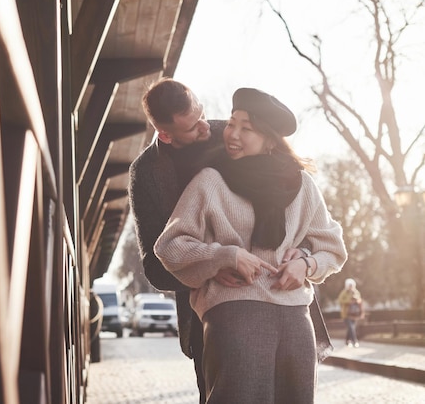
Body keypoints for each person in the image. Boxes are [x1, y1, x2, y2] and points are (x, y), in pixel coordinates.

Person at [154, 87, 348, 404]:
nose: (233, 134)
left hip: (296, 320)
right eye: (232, 123)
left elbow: (334, 247)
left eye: (248, 129)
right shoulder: (210, 181)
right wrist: (222, 256)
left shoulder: (302, 184)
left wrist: (306, 265)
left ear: (269, 140)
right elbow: (170, 245)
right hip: (234, 317)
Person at [128, 78, 309, 403]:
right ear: (166, 134)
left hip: (280, 299)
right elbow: (156, 264)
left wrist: (305, 257)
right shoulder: (146, 174)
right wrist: (212, 266)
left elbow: (291, 197)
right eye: (192, 126)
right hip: (211, 308)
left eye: (201, 113)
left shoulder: (231, 134)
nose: (206, 127)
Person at [338, 278, 363, 347]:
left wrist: (356, 300)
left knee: (351, 328)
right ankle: (355, 341)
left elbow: (359, 300)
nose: (350, 287)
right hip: (346, 314)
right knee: (351, 327)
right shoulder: (344, 292)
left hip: (354, 313)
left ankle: (347, 341)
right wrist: (348, 301)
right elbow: (340, 300)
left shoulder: (356, 292)